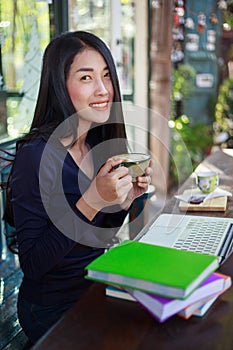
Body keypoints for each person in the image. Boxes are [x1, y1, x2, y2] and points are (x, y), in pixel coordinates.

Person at [5, 31, 153, 343]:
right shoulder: (36, 156)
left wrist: (122, 202)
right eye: (86, 77)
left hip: (96, 286)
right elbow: (33, 266)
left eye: (106, 76)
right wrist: (93, 200)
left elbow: (96, 236)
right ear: (60, 85)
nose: (103, 90)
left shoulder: (97, 145)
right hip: (51, 306)